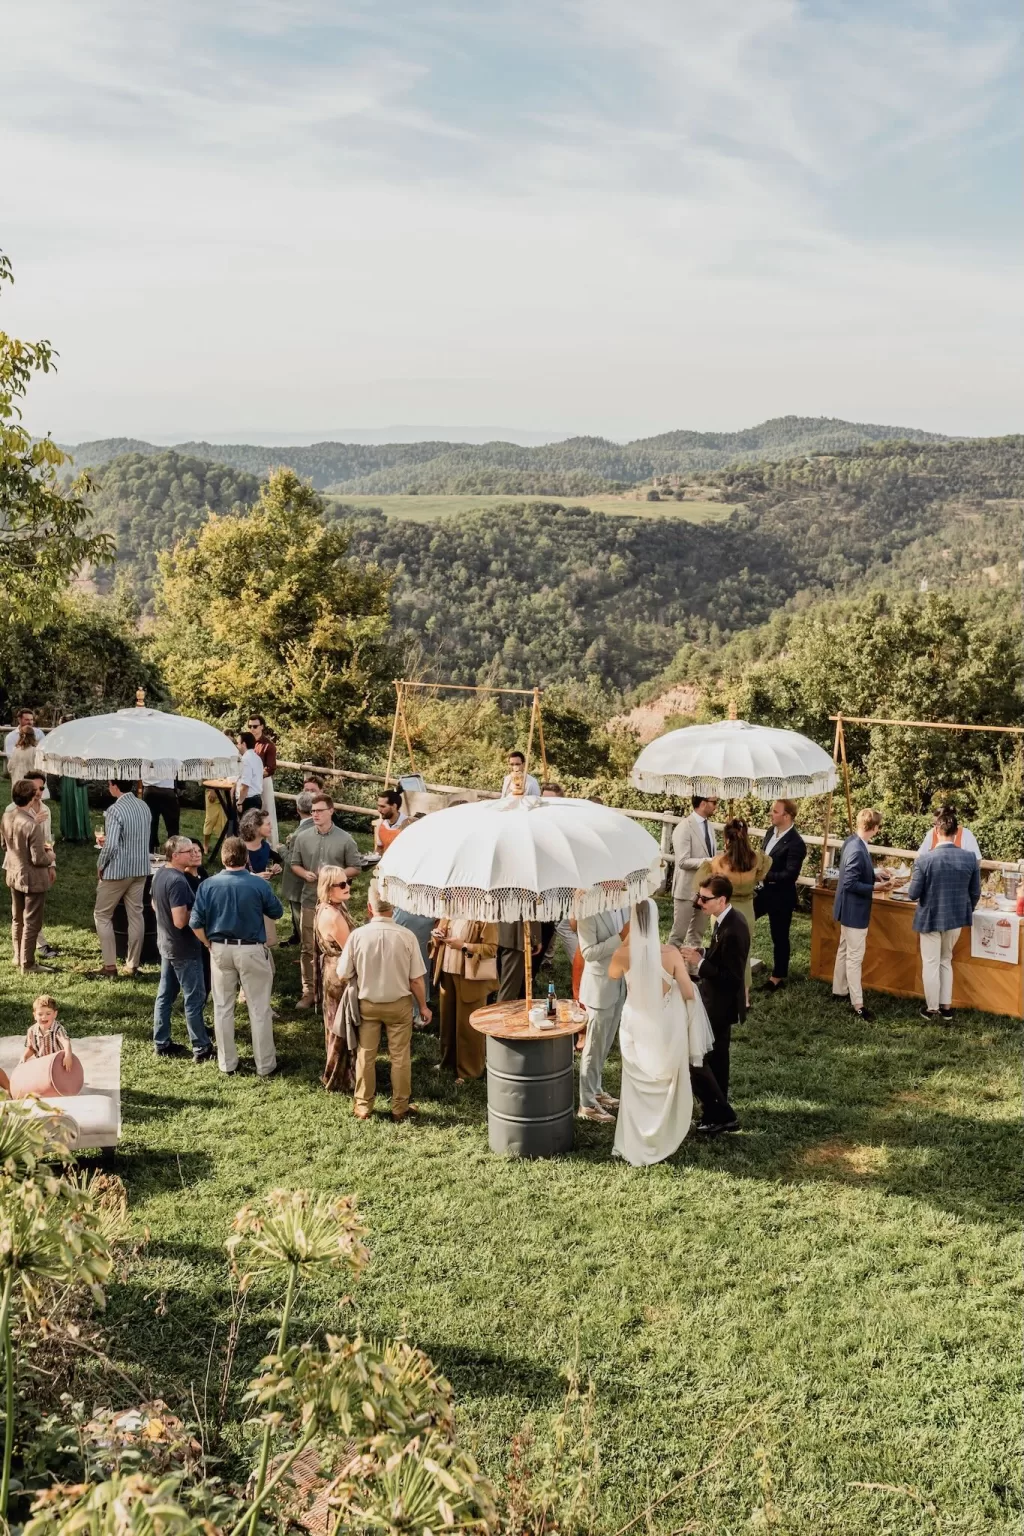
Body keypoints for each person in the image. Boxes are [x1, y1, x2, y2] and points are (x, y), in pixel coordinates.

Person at [607, 898, 716, 1165]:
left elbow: (612, 975)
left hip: (635, 1024)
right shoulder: (670, 954)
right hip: (666, 1024)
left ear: (634, 921)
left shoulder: (623, 955)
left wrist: (628, 939)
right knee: (665, 1078)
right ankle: (664, 1131)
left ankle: (635, 1137)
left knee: (635, 1079)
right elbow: (689, 991)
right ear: (656, 921)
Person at [337, 882, 432, 1121]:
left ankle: (363, 1106)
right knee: (400, 1056)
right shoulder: (407, 936)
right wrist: (423, 1006)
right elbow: (417, 980)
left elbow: (342, 973)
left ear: (370, 907)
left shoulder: (357, 936)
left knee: (365, 1054)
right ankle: (400, 1107)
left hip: (367, 1003)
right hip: (399, 1004)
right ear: (394, 906)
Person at [190, 836, 283, 1077]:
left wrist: (208, 943)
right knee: (259, 1008)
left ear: (223, 857)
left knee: (222, 1007)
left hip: (220, 947)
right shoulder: (258, 885)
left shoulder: (208, 885)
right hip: (251, 948)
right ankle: (265, 1064)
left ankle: (227, 1063)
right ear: (246, 857)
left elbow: (195, 922)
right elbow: (277, 911)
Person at [680, 875, 748, 1134]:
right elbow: (722, 959)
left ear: (721, 900)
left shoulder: (733, 929)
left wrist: (699, 965)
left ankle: (721, 1113)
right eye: (700, 896)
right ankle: (717, 1113)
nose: (700, 902)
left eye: (705, 899)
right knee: (717, 1061)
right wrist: (704, 954)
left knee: (700, 1061)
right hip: (717, 1004)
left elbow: (732, 978)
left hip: (720, 1007)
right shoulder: (725, 921)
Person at [288, 793, 362, 1009]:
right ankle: (308, 991)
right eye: (312, 811)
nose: (315, 814)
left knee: (336, 947)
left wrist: (334, 875)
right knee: (307, 946)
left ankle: (335, 988)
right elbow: (294, 863)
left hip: (335, 904)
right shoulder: (302, 837)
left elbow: (356, 868)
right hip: (310, 899)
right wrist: (304, 874)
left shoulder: (345, 839)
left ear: (331, 810)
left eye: (319, 810)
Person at [907, 808, 981, 1020]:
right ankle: (946, 1008)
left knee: (931, 962)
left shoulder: (925, 860)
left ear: (936, 831)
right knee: (945, 960)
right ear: (957, 832)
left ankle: (931, 1009)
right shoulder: (969, 859)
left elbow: (913, 894)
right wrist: (966, 908)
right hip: (956, 917)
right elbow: (975, 892)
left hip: (930, 917)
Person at [151, 835, 214, 1062]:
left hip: (166, 944)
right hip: (184, 948)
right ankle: (201, 1047)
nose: (193, 854)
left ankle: (162, 1041)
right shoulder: (178, 881)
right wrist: (199, 912)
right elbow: (180, 920)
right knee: (194, 998)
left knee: (165, 996)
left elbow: (154, 904)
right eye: (188, 851)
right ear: (176, 856)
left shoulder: (161, 874)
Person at [695, 818, 771, 1005]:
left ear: (726, 840)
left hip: (722, 908)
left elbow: (701, 883)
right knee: (743, 952)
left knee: (720, 951)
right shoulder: (756, 859)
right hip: (747, 909)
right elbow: (763, 873)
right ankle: (744, 998)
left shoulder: (719, 862)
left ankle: (723, 991)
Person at [831, 807, 891, 1021]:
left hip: (846, 907)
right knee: (854, 958)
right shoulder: (857, 849)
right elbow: (850, 883)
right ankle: (858, 1004)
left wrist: (874, 873)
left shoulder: (851, 841)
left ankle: (839, 989)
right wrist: (877, 888)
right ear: (874, 828)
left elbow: (852, 871)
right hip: (854, 910)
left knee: (844, 948)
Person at [91, 779, 152, 981]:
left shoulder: (115, 810)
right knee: (136, 914)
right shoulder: (143, 806)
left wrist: (101, 864)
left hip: (118, 870)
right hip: (140, 868)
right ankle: (132, 964)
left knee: (102, 914)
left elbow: (112, 846)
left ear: (114, 786)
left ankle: (109, 965)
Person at [577, 905, 630, 1122]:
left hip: (620, 985)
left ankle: (596, 1090)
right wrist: (620, 937)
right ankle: (587, 1104)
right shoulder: (586, 911)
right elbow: (588, 953)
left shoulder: (626, 907)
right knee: (593, 1047)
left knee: (606, 1043)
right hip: (599, 988)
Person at [433, 917, 499, 1083]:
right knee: (447, 1023)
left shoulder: (485, 917)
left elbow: (491, 949)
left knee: (468, 1027)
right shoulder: (449, 913)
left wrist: (463, 945)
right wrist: (436, 936)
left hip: (471, 977)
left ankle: (469, 1071)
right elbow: (436, 940)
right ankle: (448, 1062)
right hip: (447, 973)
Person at [1, 779, 56, 973]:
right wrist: (51, 855)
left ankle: (18, 956)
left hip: (14, 873)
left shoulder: (7, 816)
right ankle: (28, 963)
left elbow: (4, 845)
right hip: (32, 878)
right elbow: (38, 858)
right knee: (32, 922)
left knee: (17, 918)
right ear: (32, 798)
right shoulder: (32, 825)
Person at [753, 800, 807, 991]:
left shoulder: (796, 843)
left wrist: (766, 876)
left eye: (775, 811)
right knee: (743, 920)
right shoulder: (770, 832)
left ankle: (777, 977)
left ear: (787, 816)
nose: (771, 814)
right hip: (761, 892)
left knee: (780, 937)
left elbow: (791, 875)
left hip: (781, 896)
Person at [313, 864, 356, 1091]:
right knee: (341, 1025)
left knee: (335, 1023)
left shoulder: (328, 907)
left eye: (347, 881)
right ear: (329, 890)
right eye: (341, 884)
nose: (347, 886)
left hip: (332, 969)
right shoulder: (333, 916)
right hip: (339, 974)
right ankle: (339, 1076)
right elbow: (350, 949)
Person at [669, 796, 720, 948]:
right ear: (703, 803)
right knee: (678, 936)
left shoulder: (709, 826)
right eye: (714, 802)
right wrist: (710, 861)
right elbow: (683, 862)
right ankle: (670, 970)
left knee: (697, 936)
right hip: (686, 890)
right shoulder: (684, 827)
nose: (716, 806)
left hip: (705, 891)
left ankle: (690, 970)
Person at [23, 771, 59, 959]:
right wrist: (32, 822)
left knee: (34, 907)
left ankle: (32, 945)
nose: (38, 792)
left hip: (41, 863)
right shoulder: (15, 809)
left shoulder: (46, 809)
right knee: (26, 909)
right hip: (23, 865)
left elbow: (47, 839)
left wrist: (51, 864)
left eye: (41, 788)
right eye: (34, 788)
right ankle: (39, 945)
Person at [280, 790, 315, 945]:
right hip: (314, 881)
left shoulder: (299, 833)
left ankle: (307, 953)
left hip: (297, 885)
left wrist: (281, 849)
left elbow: (292, 861)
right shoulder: (319, 827)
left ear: (298, 809)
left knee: (302, 922)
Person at [246, 714, 279, 844]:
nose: (252, 729)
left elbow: (270, 768)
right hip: (249, 781)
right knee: (252, 812)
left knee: (268, 811)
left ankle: (272, 845)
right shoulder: (247, 743)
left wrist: (256, 776)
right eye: (249, 726)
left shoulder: (268, 745)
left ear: (262, 727)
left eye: (255, 726)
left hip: (263, 781)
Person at [21, 994, 73, 1072]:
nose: (44, 1017)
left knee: (57, 1081)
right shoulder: (32, 1031)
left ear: (55, 1014)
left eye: (48, 1014)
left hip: (58, 1063)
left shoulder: (57, 1029)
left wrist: (68, 1055)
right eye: (40, 1014)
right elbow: (31, 1048)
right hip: (42, 1064)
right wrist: (24, 1057)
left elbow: (66, 1042)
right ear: (35, 1015)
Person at [916, 805, 982, 864]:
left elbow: (977, 860)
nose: (936, 827)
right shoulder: (932, 833)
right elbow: (920, 856)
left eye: (938, 824)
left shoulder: (966, 834)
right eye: (934, 824)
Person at [142, 770, 180, 853]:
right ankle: (173, 854)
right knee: (172, 828)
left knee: (150, 826)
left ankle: (149, 853)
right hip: (167, 790)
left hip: (149, 789)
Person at [235, 732, 265, 820]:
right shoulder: (257, 758)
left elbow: (245, 785)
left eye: (238, 743)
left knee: (245, 830)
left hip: (247, 800)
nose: (237, 746)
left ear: (244, 744)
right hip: (257, 798)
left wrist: (240, 802)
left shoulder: (245, 760)